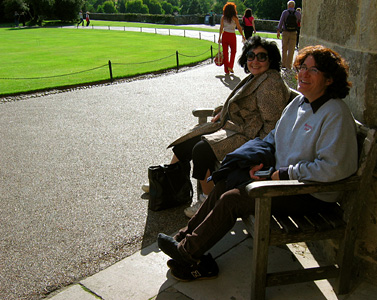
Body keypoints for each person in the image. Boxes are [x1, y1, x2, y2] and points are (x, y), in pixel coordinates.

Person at [157, 45, 358, 281]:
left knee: (234, 199)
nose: (303, 74)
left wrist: (282, 175)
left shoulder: (335, 114)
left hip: (311, 192)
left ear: (329, 79)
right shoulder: (299, 103)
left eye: (313, 70)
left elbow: (333, 168)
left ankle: (188, 254)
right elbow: (274, 137)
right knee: (226, 180)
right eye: (302, 67)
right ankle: (185, 237)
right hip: (282, 179)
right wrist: (258, 159)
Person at [144, 36, 291, 218]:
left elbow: (273, 124)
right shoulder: (257, 77)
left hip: (248, 138)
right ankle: (166, 183)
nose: (255, 61)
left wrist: (255, 149)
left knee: (202, 150)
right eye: (251, 56)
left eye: (262, 57)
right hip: (232, 128)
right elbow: (245, 104)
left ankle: (208, 201)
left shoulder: (271, 84)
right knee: (186, 143)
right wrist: (224, 111)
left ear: (271, 59)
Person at [218, 2, 246, 74]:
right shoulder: (234, 18)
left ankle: (226, 70)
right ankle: (230, 65)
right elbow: (239, 27)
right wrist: (242, 35)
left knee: (225, 52)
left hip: (225, 35)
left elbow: (221, 28)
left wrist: (219, 37)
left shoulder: (223, 17)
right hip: (232, 35)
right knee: (233, 51)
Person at [277, 1, 301, 69]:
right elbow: (300, 22)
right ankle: (289, 65)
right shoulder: (298, 13)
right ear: (294, 6)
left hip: (285, 32)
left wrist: (278, 31)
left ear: (288, 6)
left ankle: (283, 64)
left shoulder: (285, 12)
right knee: (291, 49)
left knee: (284, 49)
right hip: (293, 32)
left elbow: (281, 22)